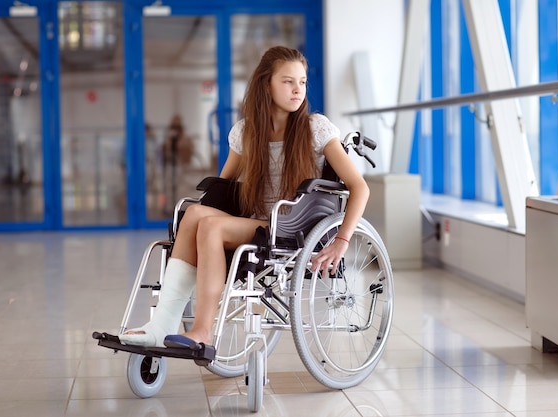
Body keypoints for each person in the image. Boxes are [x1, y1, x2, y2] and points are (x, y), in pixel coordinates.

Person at [119, 45, 370, 349]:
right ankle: (163, 323)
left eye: (302, 82)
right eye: (288, 81)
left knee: (211, 226)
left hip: (294, 226)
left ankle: (201, 331)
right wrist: (195, 217)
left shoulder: (315, 128)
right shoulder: (246, 132)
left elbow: (359, 187)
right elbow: (222, 189)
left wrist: (341, 241)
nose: (297, 89)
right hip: (260, 222)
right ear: (267, 84)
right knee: (196, 214)